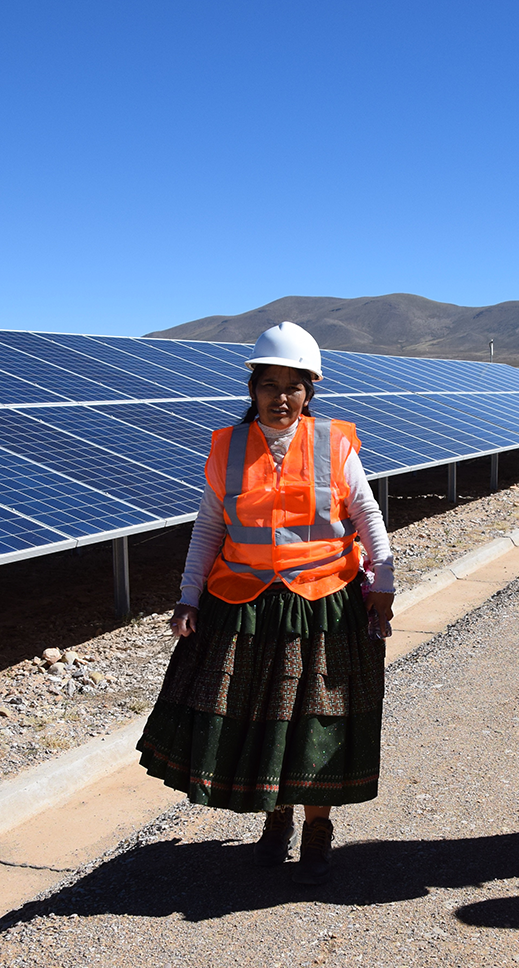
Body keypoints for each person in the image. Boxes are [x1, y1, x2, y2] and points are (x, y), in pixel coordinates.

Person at [138, 321, 395, 885]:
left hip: (324, 605)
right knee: (266, 718)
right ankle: (276, 819)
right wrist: (188, 596)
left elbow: (367, 517)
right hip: (246, 606)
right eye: (269, 385)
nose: (281, 398)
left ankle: (318, 828)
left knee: (317, 718)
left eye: (294, 386)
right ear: (251, 389)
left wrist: (384, 585)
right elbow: (209, 526)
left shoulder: (334, 444)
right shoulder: (227, 448)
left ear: (311, 391)